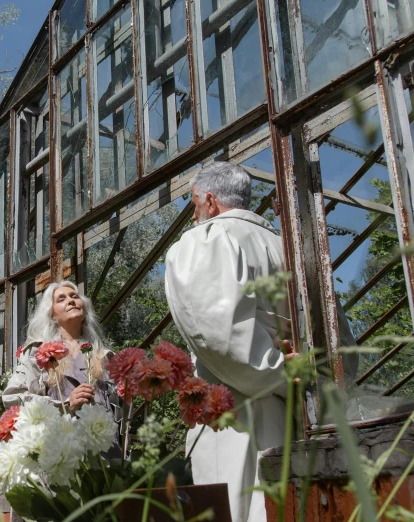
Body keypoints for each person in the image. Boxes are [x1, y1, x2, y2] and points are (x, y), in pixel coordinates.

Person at [163, 161, 292, 522]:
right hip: (294, 408)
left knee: (238, 509)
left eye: (193, 206)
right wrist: (302, 376)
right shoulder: (287, 244)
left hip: (236, 414)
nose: (193, 217)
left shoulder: (207, 241)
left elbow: (218, 336)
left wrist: (277, 373)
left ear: (209, 201)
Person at [3, 281, 120, 434]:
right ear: (52, 315)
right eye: (61, 299)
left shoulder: (103, 355)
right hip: (61, 448)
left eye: (74, 296)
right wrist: (64, 406)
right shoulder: (36, 352)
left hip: (103, 450)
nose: (71, 300)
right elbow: (12, 397)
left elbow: (120, 411)